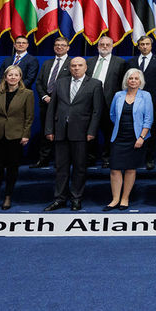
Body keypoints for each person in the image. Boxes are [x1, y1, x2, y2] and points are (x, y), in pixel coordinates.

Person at [42, 57, 103, 212]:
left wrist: (92, 131)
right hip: (60, 131)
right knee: (61, 168)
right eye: (73, 66)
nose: (76, 68)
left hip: (82, 133)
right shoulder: (60, 82)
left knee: (79, 168)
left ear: (85, 67)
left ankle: (76, 198)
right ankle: (59, 199)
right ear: (69, 68)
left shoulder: (95, 84)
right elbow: (52, 108)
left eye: (79, 65)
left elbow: (97, 111)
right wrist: (49, 129)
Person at [0, 65, 33, 210]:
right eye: (10, 75)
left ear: (20, 77)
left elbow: (29, 117)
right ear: (5, 77)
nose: (13, 77)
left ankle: (7, 197)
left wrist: (25, 135)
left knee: (12, 168)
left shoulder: (27, 94)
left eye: (16, 75)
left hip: (15, 136)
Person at [106, 68, 152, 210]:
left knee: (131, 169)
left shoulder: (146, 96)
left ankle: (125, 198)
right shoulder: (118, 95)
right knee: (115, 169)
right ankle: (115, 199)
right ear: (126, 80)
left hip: (136, 137)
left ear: (140, 81)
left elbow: (148, 119)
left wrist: (141, 137)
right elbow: (112, 115)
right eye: (130, 78)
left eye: (136, 79)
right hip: (119, 136)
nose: (133, 81)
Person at [86, 34, 126, 167]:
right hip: (90, 104)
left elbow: (122, 85)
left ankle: (107, 158)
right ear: (97, 46)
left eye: (107, 44)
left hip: (110, 104)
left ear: (112, 46)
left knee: (109, 133)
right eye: (102, 44)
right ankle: (90, 158)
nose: (104, 47)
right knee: (90, 132)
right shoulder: (89, 62)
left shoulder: (120, 62)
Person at [127, 35, 156, 170]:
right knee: (133, 128)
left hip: (151, 102)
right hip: (133, 100)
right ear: (138, 46)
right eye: (142, 44)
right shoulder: (131, 61)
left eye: (147, 44)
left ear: (151, 46)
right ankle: (135, 157)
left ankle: (149, 158)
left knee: (150, 129)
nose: (144, 46)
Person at [33, 36, 72, 167]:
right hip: (46, 103)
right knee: (46, 131)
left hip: (63, 104)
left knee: (63, 133)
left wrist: (56, 98)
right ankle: (43, 159)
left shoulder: (73, 63)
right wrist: (45, 96)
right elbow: (39, 83)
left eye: (62, 45)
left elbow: (74, 84)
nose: (59, 47)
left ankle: (60, 161)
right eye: (57, 45)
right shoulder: (47, 63)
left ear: (68, 48)